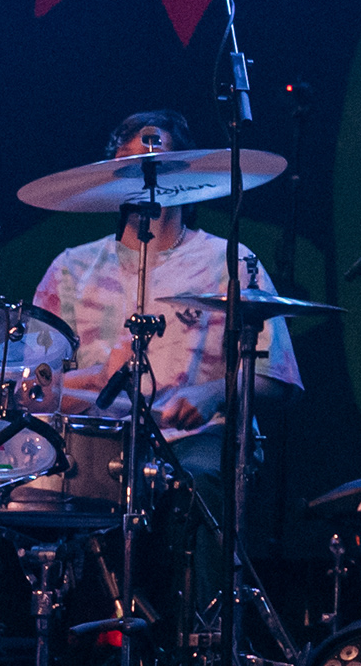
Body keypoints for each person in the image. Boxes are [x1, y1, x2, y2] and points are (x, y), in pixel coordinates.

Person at [29, 109, 304, 431]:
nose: (143, 173)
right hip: (94, 445)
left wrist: (214, 393)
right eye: (127, 164)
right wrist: (99, 378)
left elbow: (278, 380)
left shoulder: (231, 261)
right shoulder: (70, 269)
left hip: (197, 439)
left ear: (186, 176)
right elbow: (31, 392)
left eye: (156, 162)